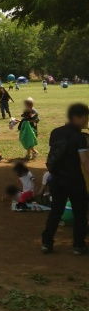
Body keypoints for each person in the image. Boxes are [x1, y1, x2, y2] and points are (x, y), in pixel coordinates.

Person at [41, 103, 89, 255]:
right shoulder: (79, 137)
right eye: (86, 119)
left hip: (57, 179)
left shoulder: (55, 133)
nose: (86, 122)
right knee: (80, 213)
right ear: (77, 117)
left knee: (55, 211)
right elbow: (85, 162)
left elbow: (53, 156)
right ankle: (78, 245)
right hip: (74, 179)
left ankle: (47, 243)